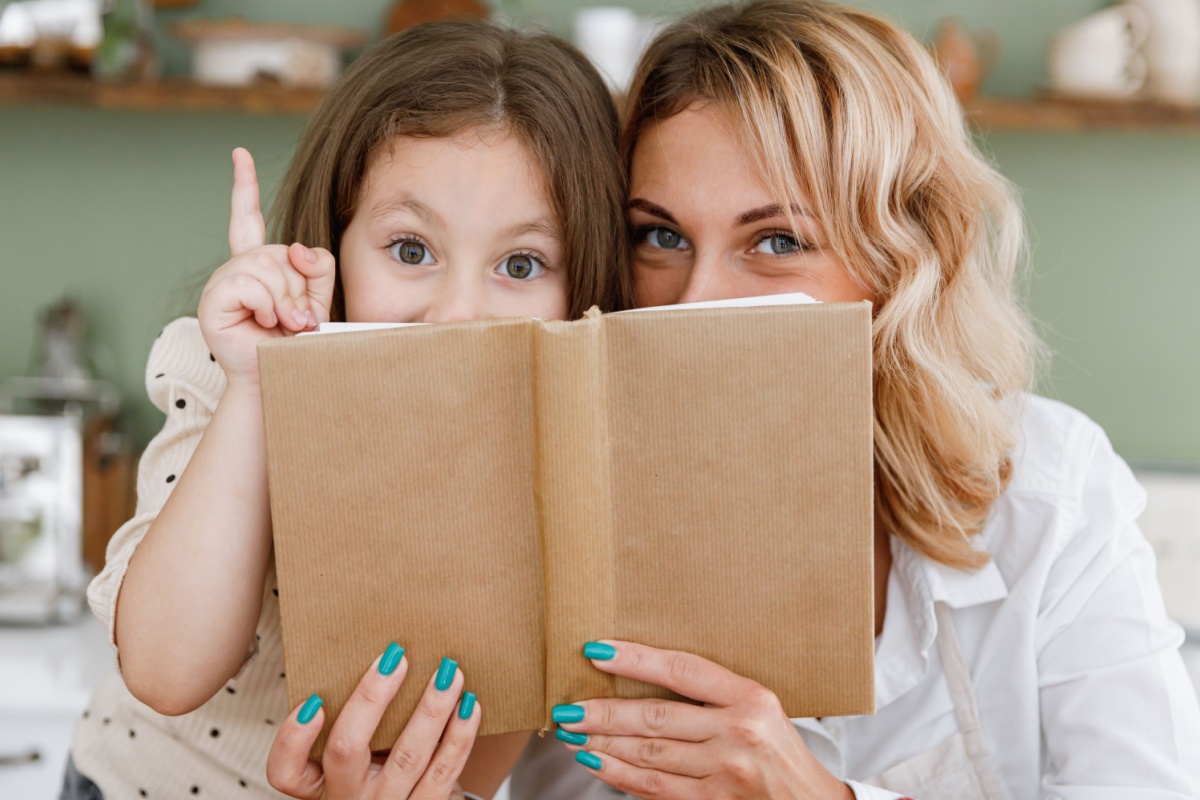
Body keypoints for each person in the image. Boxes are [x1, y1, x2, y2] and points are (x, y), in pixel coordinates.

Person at [517, 2, 1200, 798]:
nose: (695, 300)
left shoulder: (1048, 494)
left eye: (776, 241)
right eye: (661, 237)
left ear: (896, 264)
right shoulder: (558, 506)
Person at [61, 19, 629, 800]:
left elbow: (481, 754)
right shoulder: (230, 371)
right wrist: (260, 390)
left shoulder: (555, 457)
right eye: (410, 250)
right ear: (333, 240)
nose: (456, 314)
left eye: (521, 264)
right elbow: (163, 670)